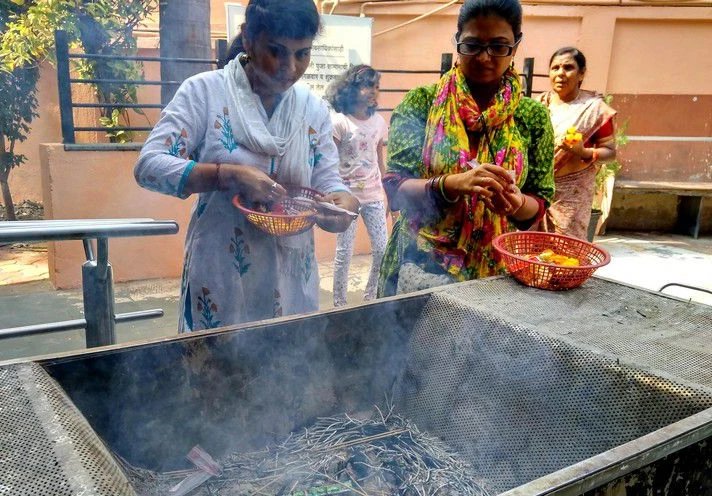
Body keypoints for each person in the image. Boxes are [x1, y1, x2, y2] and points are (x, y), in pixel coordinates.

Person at [134, 0, 359, 331]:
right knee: (219, 371)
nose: (290, 67)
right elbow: (149, 166)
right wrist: (227, 175)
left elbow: (329, 182)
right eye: (276, 51)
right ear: (249, 40)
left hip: (291, 280)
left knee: (286, 368)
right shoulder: (205, 93)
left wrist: (342, 205)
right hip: (221, 273)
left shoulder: (312, 110)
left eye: (302, 54)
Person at [378, 0, 554, 296]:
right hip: (420, 265)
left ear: (516, 45)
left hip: (496, 274)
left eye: (499, 47)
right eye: (472, 45)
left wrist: (516, 203)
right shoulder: (421, 103)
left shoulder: (532, 117)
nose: (485, 58)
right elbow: (395, 189)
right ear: (457, 41)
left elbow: (539, 203)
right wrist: (452, 184)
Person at [325, 65, 388, 306]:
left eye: (376, 87)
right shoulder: (340, 122)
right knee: (344, 253)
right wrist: (332, 195)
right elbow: (329, 163)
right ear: (352, 89)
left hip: (373, 196)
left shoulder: (378, 122)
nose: (373, 91)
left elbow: (379, 159)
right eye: (367, 86)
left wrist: (387, 194)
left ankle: (371, 296)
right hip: (346, 198)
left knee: (382, 250)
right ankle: (339, 304)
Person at [537, 47, 616, 239]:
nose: (560, 74)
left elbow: (611, 153)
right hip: (538, 190)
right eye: (555, 68)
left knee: (566, 250)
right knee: (533, 249)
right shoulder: (539, 104)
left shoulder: (595, 109)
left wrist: (583, 152)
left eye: (568, 67)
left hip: (572, 194)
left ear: (581, 73)